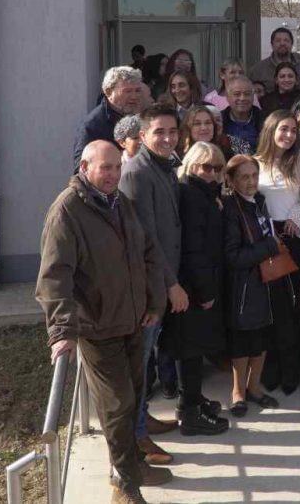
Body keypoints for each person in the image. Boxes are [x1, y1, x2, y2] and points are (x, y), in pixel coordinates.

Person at [37, 142, 172, 502]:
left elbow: (148, 253)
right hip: (97, 328)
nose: (113, 175)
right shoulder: (67, 210)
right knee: (118, 406)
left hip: (133, 322)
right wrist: (62, 332)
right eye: (105, 168)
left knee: (133, 398)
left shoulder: (120, 203)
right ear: (85, 166)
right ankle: (127, 487)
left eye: (117, 168)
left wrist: (154, 303)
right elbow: (54, 277)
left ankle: (129, 468)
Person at [118, 104, 190, 464]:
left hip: (162, 284)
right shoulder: (136, 173)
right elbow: (145, 240)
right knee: (138, 362)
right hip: (148, 289)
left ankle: (142, 421)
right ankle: (137, 439)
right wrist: (171, 284)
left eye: (172, 131)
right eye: (159, 132)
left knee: (145, 360)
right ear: (142, 135)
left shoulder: (165, 166)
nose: (166, 138)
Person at [166, 142, 231, 437]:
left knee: (193, 349)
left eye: (217, 168)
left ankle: (191, 400)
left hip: (198, 284)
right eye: (206, 167)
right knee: (190, 350)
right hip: (194, 288)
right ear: (191, 166)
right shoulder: (192, 196)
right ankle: (190, 412)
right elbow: (195, 249)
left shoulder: (204, 194)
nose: (212, 173)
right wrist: (205, 292)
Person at [253, 111, 300, 395]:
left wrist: (297, 217)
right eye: (283, 129)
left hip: (293, 238)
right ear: (270, 130)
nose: (288, 135)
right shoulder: (254, 163)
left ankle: (290, 371)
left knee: (291, 308)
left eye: (292, 130)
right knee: (269, 310)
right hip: (265, 240)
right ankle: (270, 369)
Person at [222, 154, 285, 417]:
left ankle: (254, 387)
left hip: (264, 282)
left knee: (261, 338)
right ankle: (237, 391)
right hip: (244, 286)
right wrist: (270, 246)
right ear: (232, 180)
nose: (251, 182)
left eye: (254, 176)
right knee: (242, 341)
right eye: (244, 177)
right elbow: (233, 256)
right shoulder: (231, 209)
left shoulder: (259, 201)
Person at [73, 66, 144, 171]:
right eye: (128, 91)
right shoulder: (93, 125)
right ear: (109, 92)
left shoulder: (139, 117)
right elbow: (81, 168)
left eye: (137, 91)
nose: (134, 96)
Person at [249, 27, 300, 93]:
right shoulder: (257, 71)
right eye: (278, 41)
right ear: (272, 44)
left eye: (286, 40)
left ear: (291, 44)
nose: (282, 43)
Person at [221, 75, 264, 155]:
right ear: (227, 97)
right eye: (237, 94)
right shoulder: (219, 120)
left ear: (253, 96)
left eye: (247, 94)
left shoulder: (265, 120)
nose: (242, 98)